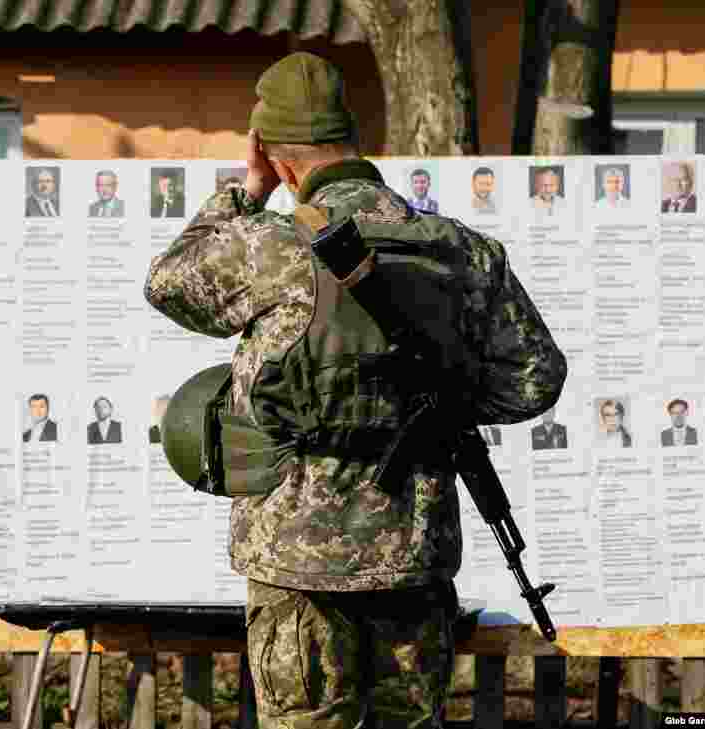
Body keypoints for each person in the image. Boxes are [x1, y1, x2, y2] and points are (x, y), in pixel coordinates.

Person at [143, 52, 567, 729]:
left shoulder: (272, 248)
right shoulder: (460, 251)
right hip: (414, 551)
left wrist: (245, 191)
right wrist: (440, 399)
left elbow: (168, 282)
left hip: (295, 559)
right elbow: (537, 378)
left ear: (276, 157)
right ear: (353, 140)